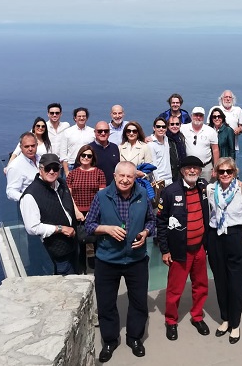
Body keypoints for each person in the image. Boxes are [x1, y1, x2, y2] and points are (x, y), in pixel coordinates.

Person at [85, 161, 156, 362]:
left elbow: (152, 221)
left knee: (139, 302)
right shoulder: (102, 196)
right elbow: (89, 225)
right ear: (115, 176)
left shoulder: (142, 195)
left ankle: (134, 338)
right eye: (121, 176)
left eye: (130, 176)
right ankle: (109, 340)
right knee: (106, 303)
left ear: (135, 178)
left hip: (136, 259)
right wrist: (106, 229)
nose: (125, 180)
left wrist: (145, 232)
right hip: (107, 260)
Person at [206, 157, 242, 344]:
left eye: (229, 171)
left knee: (236, 282)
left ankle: (236, 323)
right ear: (215, 172)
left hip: (236, 237)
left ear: (234, 173)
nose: (225, 174)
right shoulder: (209, 189)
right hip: (216, 238)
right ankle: (225, 319)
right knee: (221, 281)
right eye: (221, 171)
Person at [157, 156, 211, 341]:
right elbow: (161, 222)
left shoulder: (203, 188)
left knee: (201, 285)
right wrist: (165, 250)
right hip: (180, 251)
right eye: (188, 168)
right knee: (175, 290)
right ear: (181, 171)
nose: (192, 171)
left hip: (199, 249)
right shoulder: (170, 192)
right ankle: (171, 321)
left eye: (196, 168)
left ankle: (197, 316)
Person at [19, 154, 79, 275]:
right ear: (40, 169)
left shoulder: (61, 184)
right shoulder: (31, 195)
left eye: (55, 168)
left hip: (71, 248)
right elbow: (32, 228)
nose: (51, 171)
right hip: (53, 255)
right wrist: (60, 229)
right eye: (47, 168)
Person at [66, 144, 106, 274]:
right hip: (77, 212)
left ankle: (98, 270)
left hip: (94, 212)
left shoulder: (99, 173)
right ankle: (81, 270)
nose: (86, 158)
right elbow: (69, 194)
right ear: (79, 156)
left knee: (96, 241)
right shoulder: (72, 174)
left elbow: (101, 195)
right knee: (80, 243)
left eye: (89, 156)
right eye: (83, 155)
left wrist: (91, 212)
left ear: (92, 158)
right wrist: (77, 211)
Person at [180, 107, 219, 182]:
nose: (198, 117)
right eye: (196, 115)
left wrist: (215, 167)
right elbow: (169, 131)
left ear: (203, 117)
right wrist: (152, 137)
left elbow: (215, 149)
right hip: (189, 168)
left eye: (200, 115)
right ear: (191, 116)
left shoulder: (210, 131)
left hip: (206, 167)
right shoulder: (183, 128)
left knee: (207, 189)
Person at [6, 132, 40, 201]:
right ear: (21, 147)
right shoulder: (15, 166)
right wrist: (27, 199)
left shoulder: (41, 159)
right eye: (26, 146)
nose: (30, 149)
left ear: (37, 145)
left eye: (33, 146)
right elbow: (10, 191)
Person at [61, 107, 94, 176]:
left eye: (84, 116)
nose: (81, 118)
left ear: (87, 118)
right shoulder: (68, 132)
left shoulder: (92, 132)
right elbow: (63, 154)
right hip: (71, 166)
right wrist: (66, 171)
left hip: (88, 165)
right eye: (79, 116)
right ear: (75, 118)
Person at [90, 121, 120, 186]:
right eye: (100, 131)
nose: (103, 133)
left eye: (106, 131)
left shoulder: (114, 147)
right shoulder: (88, 149)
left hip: (112, 188)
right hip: (94, 189)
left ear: (109, 133)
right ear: (95, 132)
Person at [148, 117, 173, 186]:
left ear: (166, 129)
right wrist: (157, 182)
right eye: (158, 126)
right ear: (154, 128)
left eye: (163, 127)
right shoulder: (151, 144)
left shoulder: (166, 140)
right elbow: (153, 165)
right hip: (159, 181)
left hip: (169, 179)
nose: (161, 129)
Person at [165, 115, 187, 182]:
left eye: (177, 124)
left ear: (180, 125)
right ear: (168, 126)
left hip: (181, 172)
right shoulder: (164, 138)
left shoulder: (181, 137)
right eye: (172, 124)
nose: (175, 126)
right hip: (170, 173)